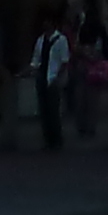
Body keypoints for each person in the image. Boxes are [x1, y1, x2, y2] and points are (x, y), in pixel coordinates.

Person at [34, 11, 72, 150]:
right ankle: (48, 139)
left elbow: (65, 61)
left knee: (53, 111)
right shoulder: (40, 40)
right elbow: (36, 61)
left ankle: (56, 139)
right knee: (44, 111)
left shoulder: (61, 40)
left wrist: (58, 77)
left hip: (53, 78)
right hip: (42, 77)